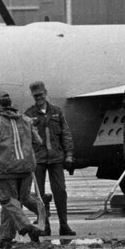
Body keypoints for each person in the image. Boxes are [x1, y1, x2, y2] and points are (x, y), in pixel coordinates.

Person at [0, 90, 43, 249]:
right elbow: (38, 141)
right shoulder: (26, 120)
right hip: (26, 168)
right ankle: (6, 237)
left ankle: (28, 226)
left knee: (7, 201)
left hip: (5, 169)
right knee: (14, 202)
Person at [24, 81, 75, 236]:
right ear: (32, 96)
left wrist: (69, 155)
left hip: (56, 158)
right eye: (35, 95)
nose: (38, 97)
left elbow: (66, 134)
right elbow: (25, 138)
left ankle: (64, 225)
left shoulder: (57, 112)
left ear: (46, 93)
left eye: (40, 94)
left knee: (60, 191)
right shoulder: (29, 114)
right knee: (39, 195)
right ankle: (44, 225)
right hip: (38, 160)